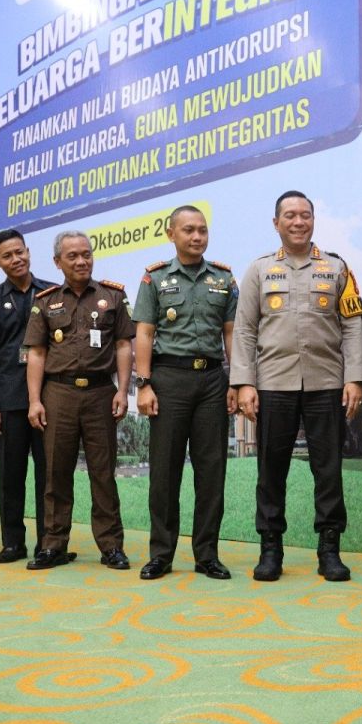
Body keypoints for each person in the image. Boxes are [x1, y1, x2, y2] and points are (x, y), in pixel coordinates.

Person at [231, 190, 362, 582]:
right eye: (290, 215)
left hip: (326, 383)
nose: (298, 221)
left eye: (305, 215)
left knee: (329, 470)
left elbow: (354, 326)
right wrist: (244, 383)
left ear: (313, 220)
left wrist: (355, 377)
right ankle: (270, 548)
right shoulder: (259, 271)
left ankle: (329, 549)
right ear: (277, 223)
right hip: (273, 383)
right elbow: (244, 330)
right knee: (270, 471)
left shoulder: (337, 268)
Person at [132, 205, 238, 581]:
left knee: (212, 472)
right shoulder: (155, 279)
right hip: (169, 379)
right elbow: (144, 332)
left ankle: (207, 554)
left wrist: (237, 382)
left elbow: (231, 333)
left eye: (203, 230)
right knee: (164, 472)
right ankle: (161, 554)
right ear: (171, 233)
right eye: (189, 230)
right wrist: (143, 385)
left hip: (212, 381)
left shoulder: (223, 279)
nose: (197, 237)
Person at [23, 231, 134, 571]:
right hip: (58, 394)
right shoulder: (45, 301)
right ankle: (53, 545)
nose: (82, 260)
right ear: (58, 262)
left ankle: (111, 546)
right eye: (72, 256)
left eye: (86, 254)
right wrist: (34, 401)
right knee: (56, 472)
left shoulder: (113, 296)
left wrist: (122, 389)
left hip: (101, 392)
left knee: (103, 474)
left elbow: (124, 346)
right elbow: (37, 353)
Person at [0, 229, 55, 563]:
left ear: (28, 252)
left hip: (50, 398)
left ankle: (49, 543)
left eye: (19, 252)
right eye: (7, 256)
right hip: (8, 402)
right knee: (10, 474)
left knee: (50, 476)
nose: (16, 259)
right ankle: (13, 542)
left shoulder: (52, 293)